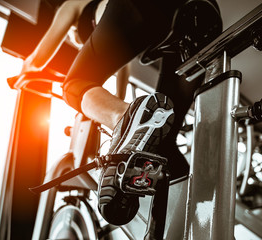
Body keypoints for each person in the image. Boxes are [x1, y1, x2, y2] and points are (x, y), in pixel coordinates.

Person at [24, 0, 221, 226]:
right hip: (203, 17)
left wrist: (24, 72)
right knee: (163, 144)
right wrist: (114, 109)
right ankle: (200, 217)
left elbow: (38, 58)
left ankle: (125, 121)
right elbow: (122, 72)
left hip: (142, 8)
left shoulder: (72, 4)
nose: (71, 38)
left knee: (73, 85)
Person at [21, 0, 129, 100]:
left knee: (72, 85)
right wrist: (119, 95)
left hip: (120, 11)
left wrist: (23, 72)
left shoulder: (70, 5)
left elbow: (37, 60)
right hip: (132, 25)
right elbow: (124, 61)